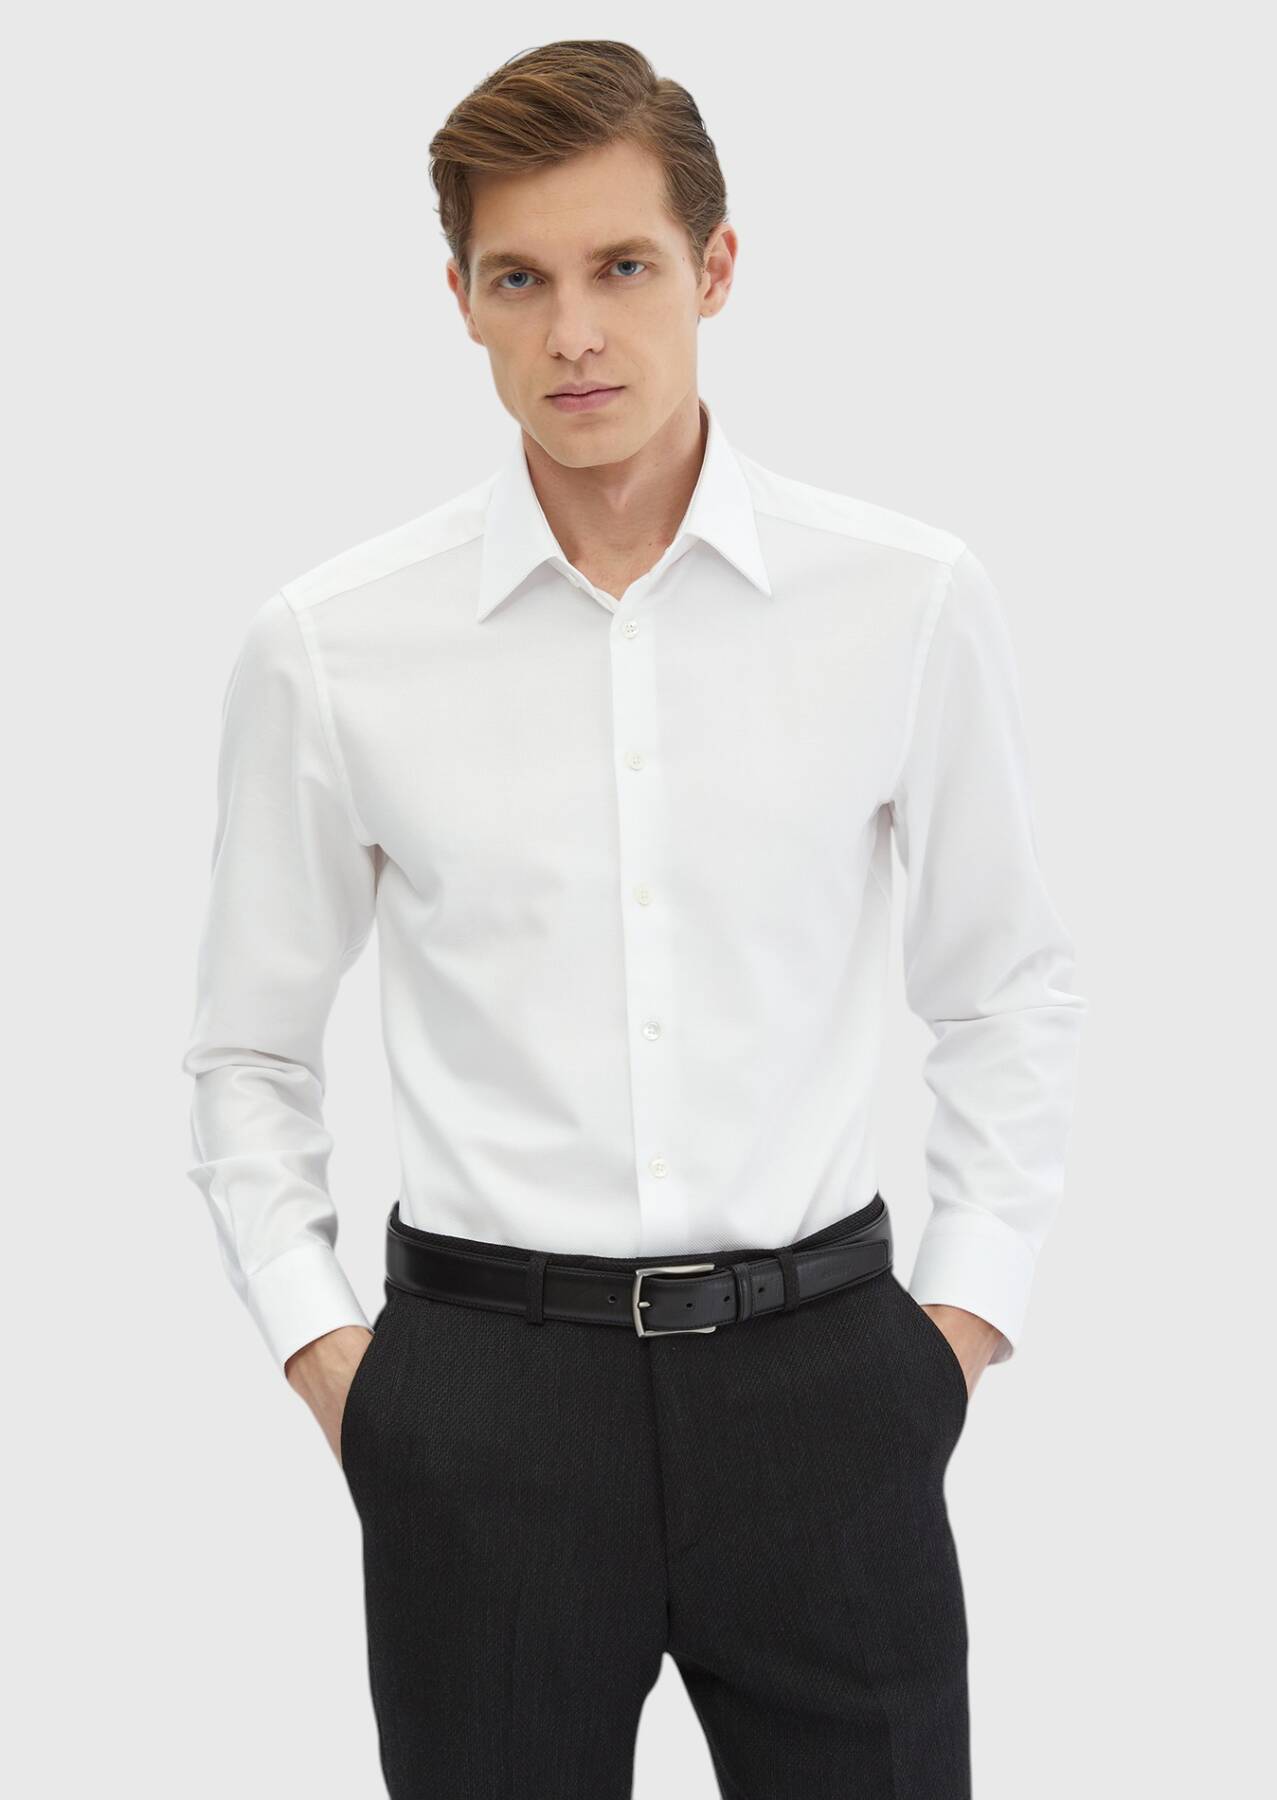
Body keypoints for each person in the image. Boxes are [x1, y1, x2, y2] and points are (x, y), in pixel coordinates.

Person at [181, 38, 1086, 1800]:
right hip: (483, 1407)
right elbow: (246, 1050)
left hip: (828, 1389)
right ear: (459, 300)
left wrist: (955, 1331)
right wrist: (335, 1364)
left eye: (621, 267)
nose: (574, 333)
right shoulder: (333, 645)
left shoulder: (901, 600)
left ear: (714, 267)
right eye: (519, 280)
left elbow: (1006, 991)